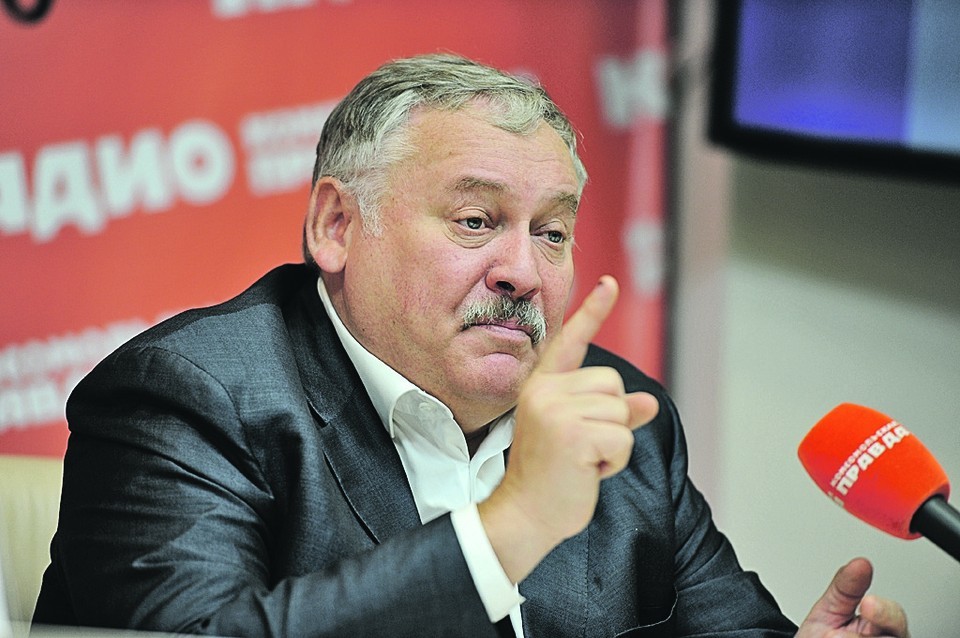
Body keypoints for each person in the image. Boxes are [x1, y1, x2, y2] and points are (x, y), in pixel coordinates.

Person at [33, 54, 909, 637]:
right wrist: (511, 527)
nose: (523, 271)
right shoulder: (187, 396)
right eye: (476, 221)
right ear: (337, 226)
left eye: (553, 233)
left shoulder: (616, 419)